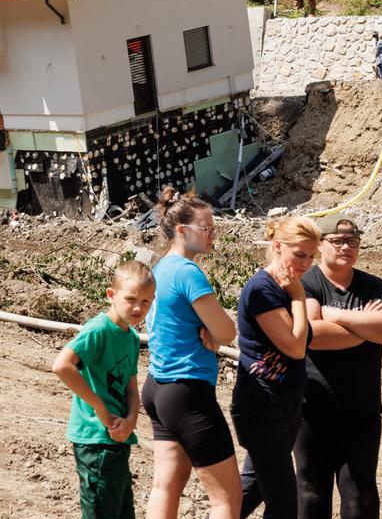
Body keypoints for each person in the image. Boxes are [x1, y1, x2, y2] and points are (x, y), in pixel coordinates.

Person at [141, 189, 242, 519]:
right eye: (206, 227)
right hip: (188, 391)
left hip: (158, 388)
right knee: (226, 498)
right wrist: (215, 335)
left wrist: (212, 334)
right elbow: (227, 332)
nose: (213, 234)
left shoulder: (160, 267)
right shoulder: (187, 272)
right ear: (182, 230)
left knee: (165, 486)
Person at [295, 215, 382, 519]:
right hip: (312, 408)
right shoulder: (307, 282)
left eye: (352, 240)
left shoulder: (373, 285)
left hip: (362, 410)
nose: (346, 247)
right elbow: (313, 336)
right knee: (311, 493)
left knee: (361, 497)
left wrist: (333, 314)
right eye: (337, 240)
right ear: (320, 244)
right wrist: (366, 327)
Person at [233, 216, 320, 519]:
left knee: (252, 488)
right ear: (278, 246)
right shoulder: (263, 290)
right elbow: (295, 347)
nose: (307, 263)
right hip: (263, 403)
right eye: (300, 254)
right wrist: (299, 297)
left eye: (311, 256)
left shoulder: (286, 286)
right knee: (284, 503)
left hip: (286, 401)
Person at [53, 260, 154, 519]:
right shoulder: (98, 330)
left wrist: (131, 420)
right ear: (111, 295)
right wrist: (99, 406)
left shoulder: (131, 337)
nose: (138, 307)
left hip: (118, 437)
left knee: (121, 511)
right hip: (94, 438)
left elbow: (131, 387)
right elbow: (62, 365)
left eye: (146, 301)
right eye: (131, 299)